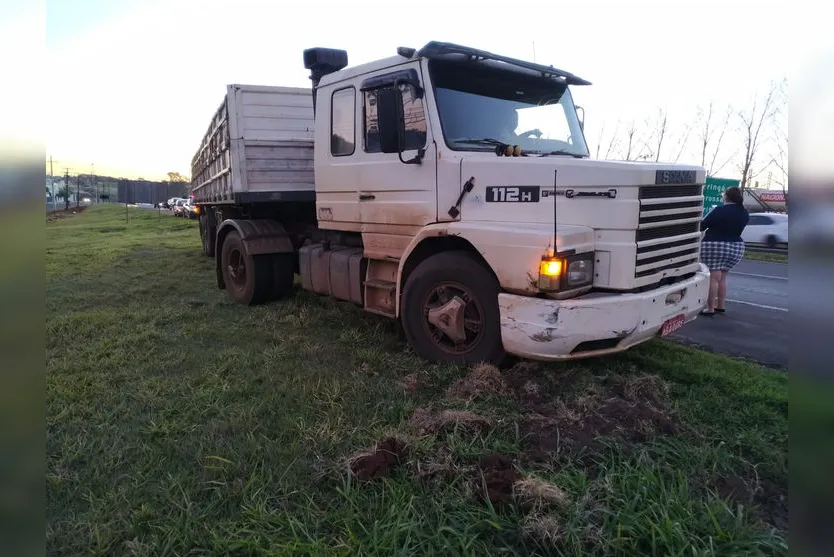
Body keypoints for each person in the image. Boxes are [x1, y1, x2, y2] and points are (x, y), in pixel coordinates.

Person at [699, 186, 750, 316]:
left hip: (715, 244)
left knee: (714, 278)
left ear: (726, 196)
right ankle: (720, 306)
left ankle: (710, 308)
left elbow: (702, 225)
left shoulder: (718, 210)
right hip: (736, 246)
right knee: (722, 278)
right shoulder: (744, 213)